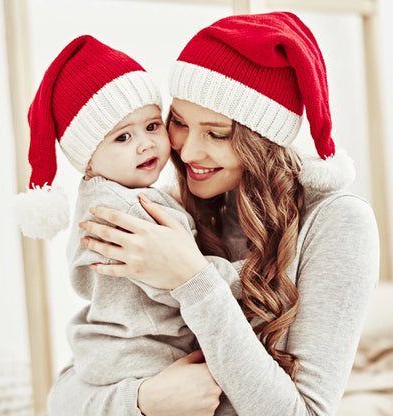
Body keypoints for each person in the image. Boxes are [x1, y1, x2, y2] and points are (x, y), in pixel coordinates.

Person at [47, 12, 380, 416]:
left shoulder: (336, 222)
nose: (186, 153)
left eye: (217, 134)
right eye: (179, 123)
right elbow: (65, 394)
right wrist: (143, 400)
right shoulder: (171, 207)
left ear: (263, 140)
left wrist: (194, 280)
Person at [15, 35, 239, 414]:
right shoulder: (123, 209)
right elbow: (177, 279)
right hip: (140, 353)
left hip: (122, 349)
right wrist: (246, 277)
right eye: (123, 136)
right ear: (88, 160)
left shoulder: (128, 193)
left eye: (152, 126)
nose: (145, 145)